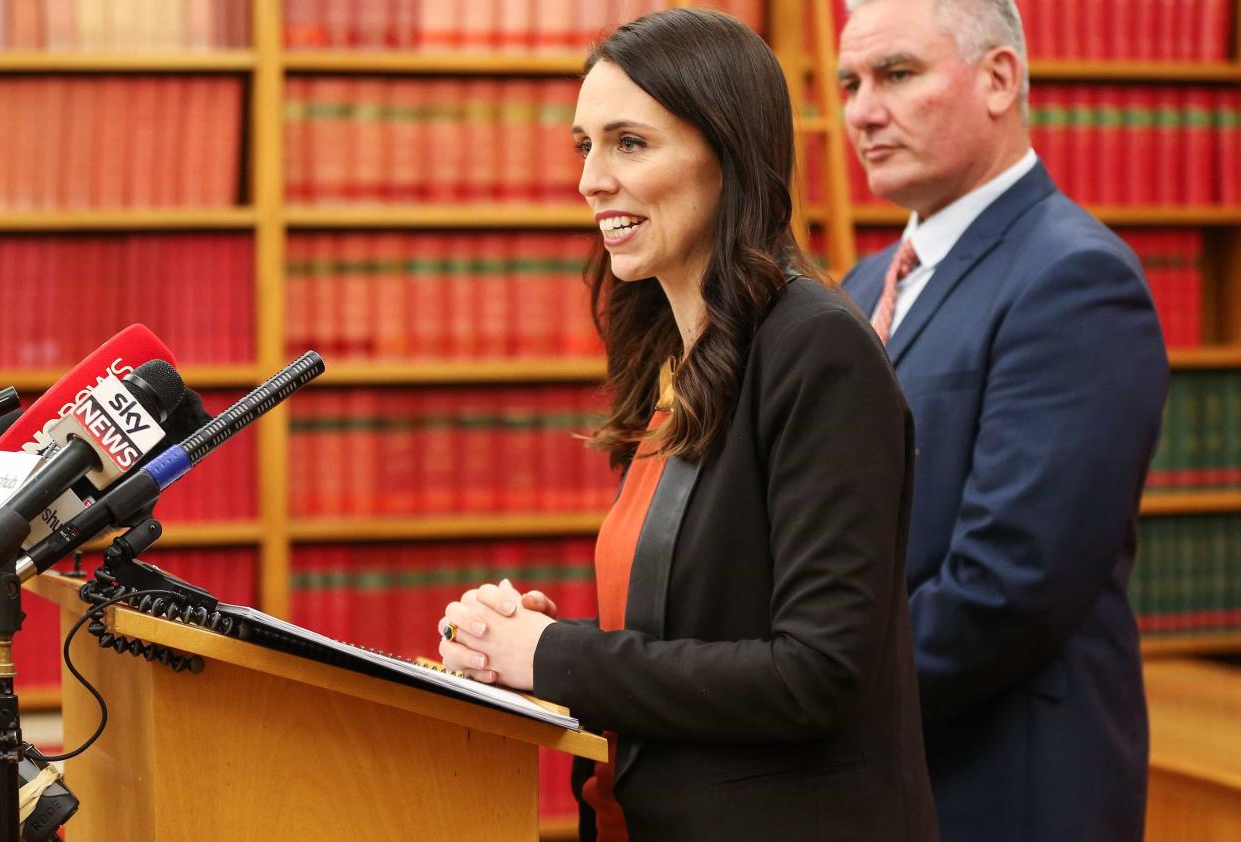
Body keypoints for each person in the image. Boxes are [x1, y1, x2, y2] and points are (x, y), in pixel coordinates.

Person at [435, 9, 938, 841]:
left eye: (629, 143)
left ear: (729, 155)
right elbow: (700, 634)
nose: (592, 179)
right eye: (583, 146)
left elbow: (817, 673)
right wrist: (524, 643)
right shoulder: (677, 355)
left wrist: (556, 654)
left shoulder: (816, 348)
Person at [833, 1, 1168, 840]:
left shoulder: (1077, 277)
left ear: (999, 79)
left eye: (897, 74)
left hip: (1005, 787)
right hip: (872, 776)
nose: (863, 111)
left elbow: (1009, 586)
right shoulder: (861, 284)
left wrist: (806, 687)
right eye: (849, 83)